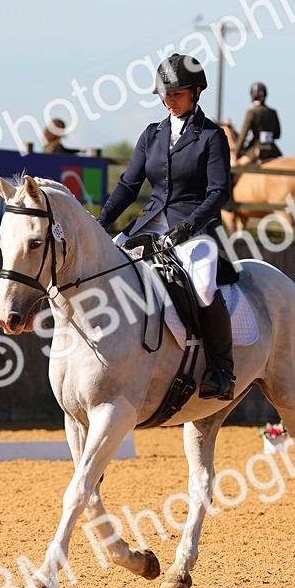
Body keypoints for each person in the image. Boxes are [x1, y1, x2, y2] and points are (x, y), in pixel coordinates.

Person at [97, 53, 235, 401]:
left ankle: (222, 370)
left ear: (196, 91)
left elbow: (219, 192)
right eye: (165, 94)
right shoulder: (152, 134)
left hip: (194, 229)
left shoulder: (211, 137)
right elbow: (129, 186)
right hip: (150, 223)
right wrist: (100, 222)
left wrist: (189, 227)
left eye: (176, 93)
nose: (169, 100)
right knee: (102, 265)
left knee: (203, 287)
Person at [234, 82, 282, 161]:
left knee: (236, 167)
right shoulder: (273, 112)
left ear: (252, 96)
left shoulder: (251, 112)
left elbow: (243, 135)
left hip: (256, 149)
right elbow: (277, 135)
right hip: (273, 150)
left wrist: (236, 153)